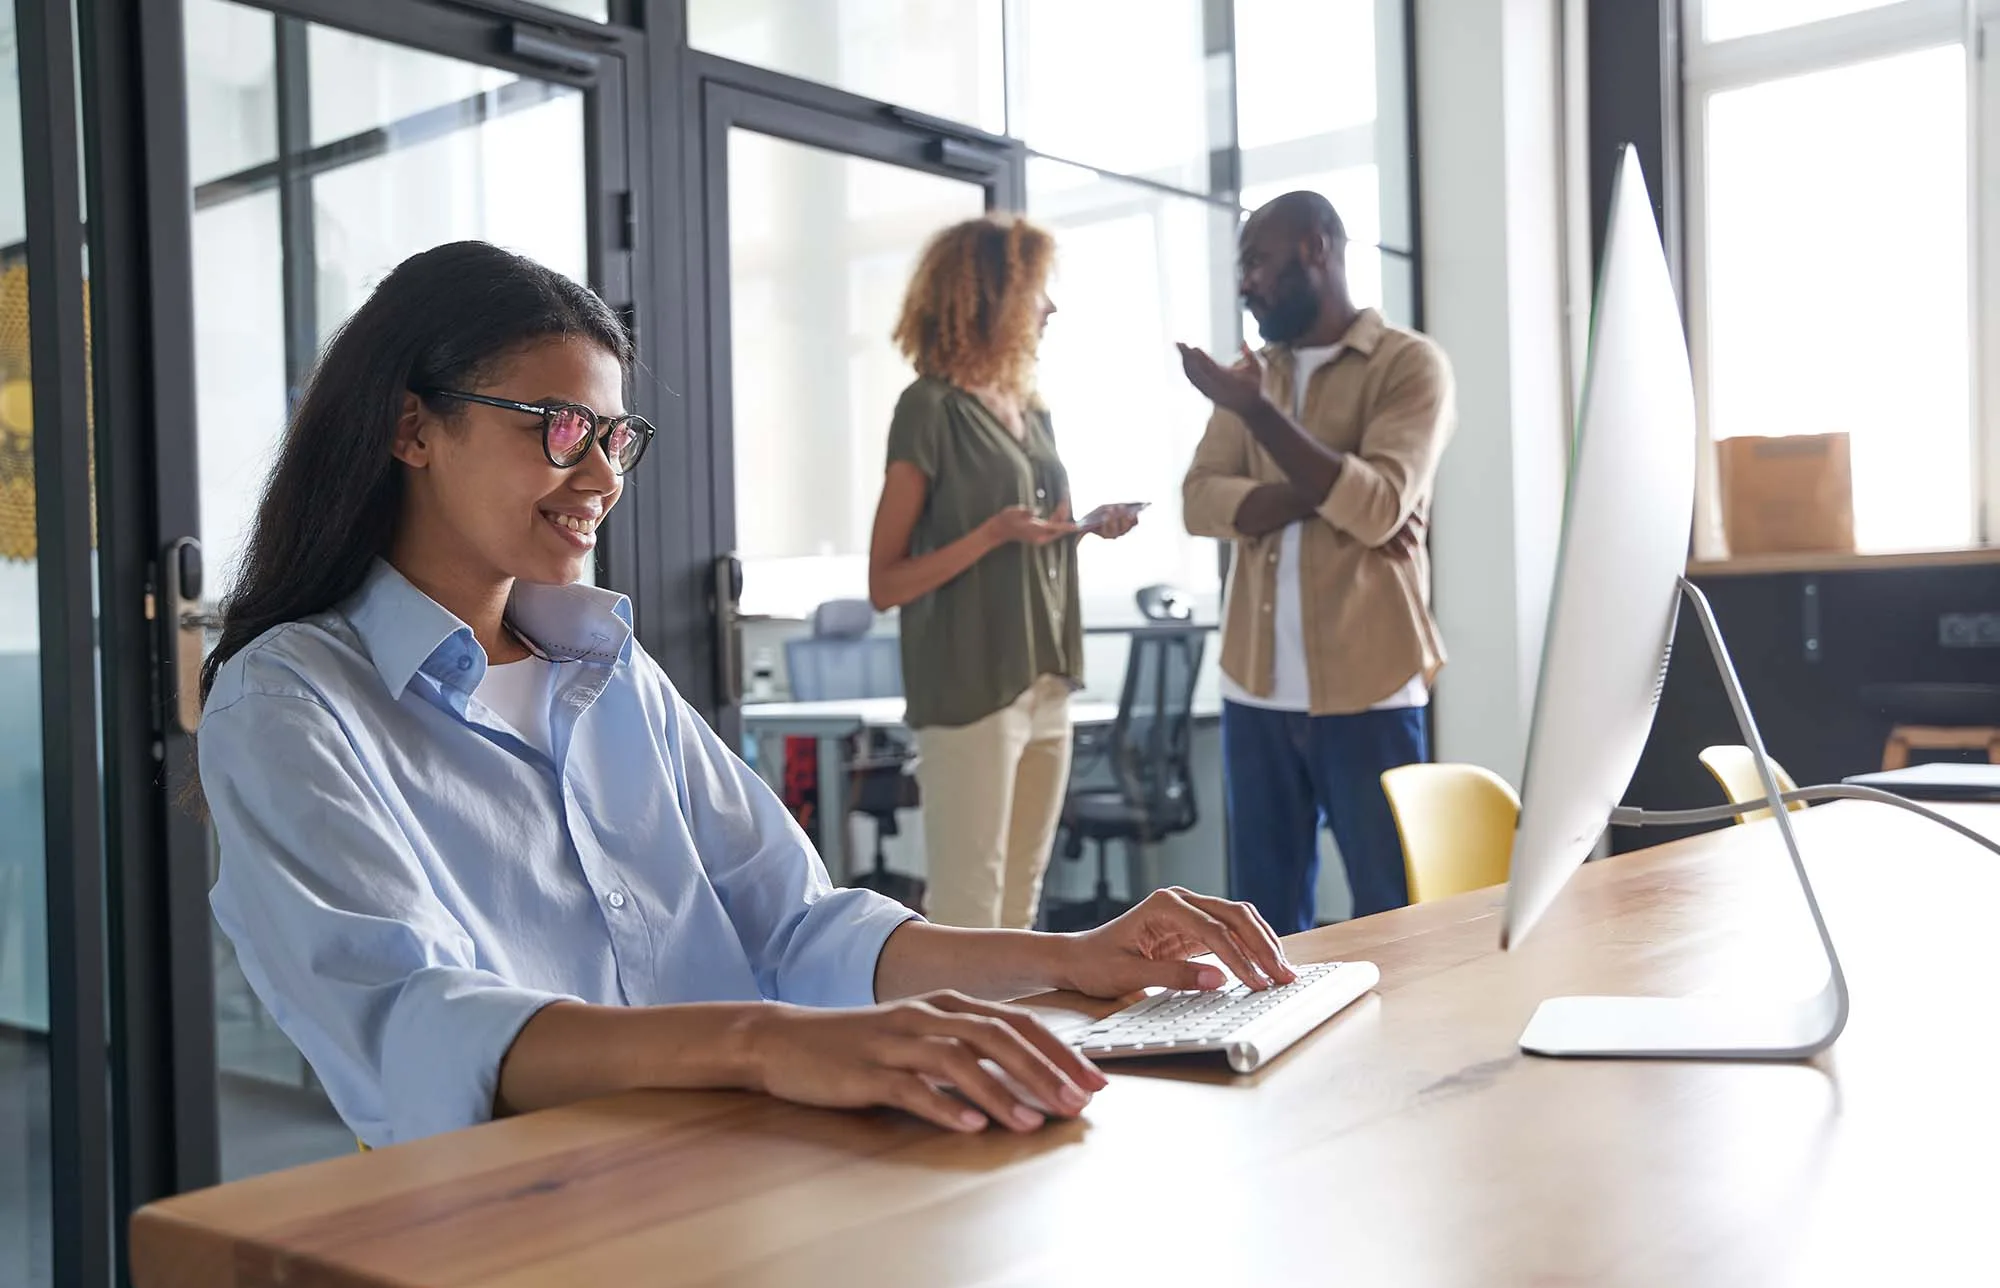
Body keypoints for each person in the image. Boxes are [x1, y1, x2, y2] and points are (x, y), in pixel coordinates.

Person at [197, 240, 1291, 1150]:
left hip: (741, 1162)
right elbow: (410, 1024)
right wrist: (769, 1042)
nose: (603, 477)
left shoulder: (607, 669)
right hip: (523, 1215)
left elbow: (799, 924)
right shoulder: (291, 705)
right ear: (411, 429)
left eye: (615, 436)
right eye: (559, 427)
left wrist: (1072, 955)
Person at [1177, 191, 1455, 934]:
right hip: (1255, 687)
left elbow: (1379, 505)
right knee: (1263, 923)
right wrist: (1329, 486)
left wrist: (1263, 420)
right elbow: (1200, 503)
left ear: (1314, 250)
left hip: (1372, 685)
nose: (1245, 284)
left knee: (1392, 912)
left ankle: (1402, 1054)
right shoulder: (1253, 372)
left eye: (1257, 263)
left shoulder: (1409, 365)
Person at [868, 215, 1141, 931]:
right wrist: (991, 535)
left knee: (1021, 901)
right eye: (1036, 292)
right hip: (969, 683)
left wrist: (1086, 528)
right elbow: (885, 581)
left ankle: (1011, 1043)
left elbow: (1044, 534)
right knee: (968, 905)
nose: (1049, 309)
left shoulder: (1033, 410)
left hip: (1045, 675)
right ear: (988, 297)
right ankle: (950, 1045)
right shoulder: (927, 409)